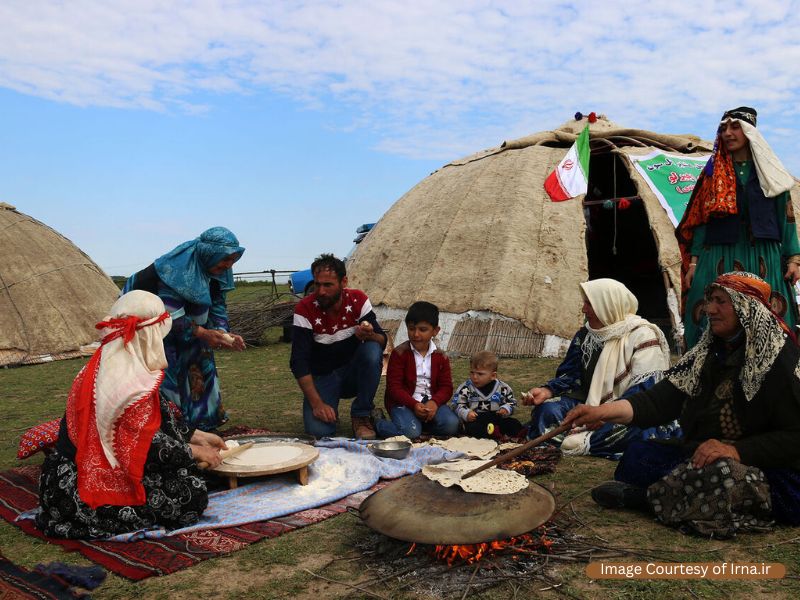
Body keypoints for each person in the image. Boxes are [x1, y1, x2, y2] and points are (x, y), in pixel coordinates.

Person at [567, 272, 800, 538]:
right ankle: (680, 495)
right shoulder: (708, 353)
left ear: (746, 307)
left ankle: (646, 499)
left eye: (721, 302)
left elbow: (794, 437)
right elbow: (660, 401)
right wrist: (602, 412)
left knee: (723, 474)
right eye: (710, 300)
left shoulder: (780, 363)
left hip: (771, 471)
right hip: (705, 455)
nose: (709, 309)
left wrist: (736, 451)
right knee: (638, 454)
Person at [36, 290, 226, 539]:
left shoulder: (118, 362)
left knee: (185, 474)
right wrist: (193, 451)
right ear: (149, 335)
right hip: (78, 486)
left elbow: (158, 416)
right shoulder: (121, 379)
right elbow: (140, 442)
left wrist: (196, 435)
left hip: (77, 472)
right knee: (191, 492)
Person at [677, 106, 800, 349]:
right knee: (710, 314)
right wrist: (693, 263)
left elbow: (786, 217)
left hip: (763, 255)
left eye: (735, 127)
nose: (728, 133)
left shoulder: (770, 173)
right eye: (723, 128)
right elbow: (701, 220)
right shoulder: (712, 173)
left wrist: (794, 259)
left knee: (769, 317)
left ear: (750, 132)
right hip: (719, 256)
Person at [522, 278, 677, 458]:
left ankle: (572, 440)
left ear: (607, 305)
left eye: (589, 304)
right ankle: (579, 437)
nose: (583, 309)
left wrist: (604, 415)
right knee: (547, 411)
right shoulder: (586, 335)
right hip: (588, 405)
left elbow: (646, 390)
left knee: (639, 431)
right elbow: (571, 376)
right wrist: (547, 391)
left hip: (628, 411)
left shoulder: (642, 335)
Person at [123, 227, 245, 430]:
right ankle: (176, 431)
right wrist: (204, 333)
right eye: (226, 259)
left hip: (190, 330)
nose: (228, 265)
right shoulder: (174, 270)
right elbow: (169, 316)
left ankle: (203, 425)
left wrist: (223, 333)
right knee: (168, 378)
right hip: (153, 333)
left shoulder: (216, 270)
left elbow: (217, 304)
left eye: (233, 260)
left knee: (201, 369)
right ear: (210, 253)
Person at [290, 254, 387, 439]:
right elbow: (298, 362)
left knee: (372, 350)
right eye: (317, 284)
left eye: (328, 285)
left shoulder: (357, 300)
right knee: (319, 431)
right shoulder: (305, 309)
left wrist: (369, 335)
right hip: (323, 375)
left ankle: (361, 414)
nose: (321, 291)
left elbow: (382, 340)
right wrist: (317, 404)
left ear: (343, 282)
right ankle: (328, 405)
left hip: (352, 373)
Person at [374, 301, 459, 439]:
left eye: (422, 329)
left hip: (430, 404)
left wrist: (434, 402)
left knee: (452, 425)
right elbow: (394, 388)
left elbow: (446, 387)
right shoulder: (399, 353)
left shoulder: (441, 356)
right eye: (412, 329)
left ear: (435, 331)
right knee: (410, 432)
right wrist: (414, 404)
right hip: (404, 404)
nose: (416, 334)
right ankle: (377, 422)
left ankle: (421, 424)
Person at [452, 351, 522, 439]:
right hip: (477, 420)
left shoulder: (503, 388)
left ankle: (509, 432)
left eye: (480, 374)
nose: (474, 377)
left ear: (493, 375)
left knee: (514, 423)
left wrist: (506, 409)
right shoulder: (466, 388)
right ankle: (493, 433)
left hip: (497, 419)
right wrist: (466, 413)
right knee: (473, 428)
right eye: (472, 372)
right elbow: (456, 405)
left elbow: (512, 402)